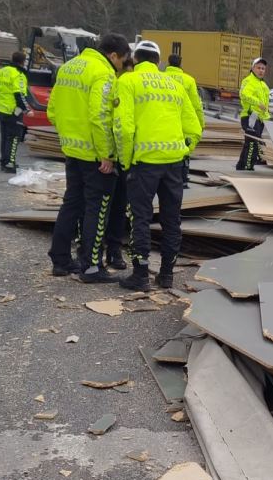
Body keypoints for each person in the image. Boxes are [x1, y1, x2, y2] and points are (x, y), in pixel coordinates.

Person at [114, 40, 202, 292]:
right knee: (171, 220)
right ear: (158, 61)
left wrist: (126, 160)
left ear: (137, 59)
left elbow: (123, 127)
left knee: (140, 217)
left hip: (144, 163)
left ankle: (140, 275)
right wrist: (184, 149)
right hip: (174, 163)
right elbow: (194, 127)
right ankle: (166, 275)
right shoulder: (174, 84)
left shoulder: (128, 82)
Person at [46, 33, 131, 281]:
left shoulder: (69, 67)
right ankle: (91, 266)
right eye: (122, 60)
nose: (120, 66)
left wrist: (70, 134)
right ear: (113, 55)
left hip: (72, 149)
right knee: (98, 208)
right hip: (95, 154)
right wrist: (107, 154)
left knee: (71, 204)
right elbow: (100, 117)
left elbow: (53, 110)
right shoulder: (102, 74)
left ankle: (60, 260)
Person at [104, 56, 135, 271]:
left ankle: (114, 250)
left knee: (119, 209)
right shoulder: (109, 91)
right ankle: (89, 251)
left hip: (125, 160)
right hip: (107, 159)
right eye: (126, 73)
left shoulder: (134, 94)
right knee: (99, 209)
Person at [165, 54, 205, 188]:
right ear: (181, 64)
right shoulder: (188, 80)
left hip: (165, 118)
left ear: (168, 63)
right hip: (184, 120)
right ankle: (182, 179)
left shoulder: (161, 77)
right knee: (184, 149)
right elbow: (196, 105)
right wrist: (200, 123)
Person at [0, 51, 28, 173]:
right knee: (14, 138)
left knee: (5, 137)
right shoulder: (19, 74)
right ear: (23, 61)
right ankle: (10, 163)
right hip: (14, 111)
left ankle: (4, 162)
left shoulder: (1, 72)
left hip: (2, 110)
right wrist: (26, 109)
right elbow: (20, 94)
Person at [235, 57, 270, 170]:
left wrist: (267, 117)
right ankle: (248, 167)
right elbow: (244, 95)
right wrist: (257, 103)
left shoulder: (263, 85)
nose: (261, 70)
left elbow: (266, 104)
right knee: (252, 143)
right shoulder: (248, 81)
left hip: (259, 119)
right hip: (250, 116)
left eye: (263, 68)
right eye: (258, 68)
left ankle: (240, 166)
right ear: (253, 68)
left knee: (251, 142)